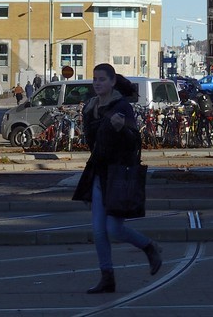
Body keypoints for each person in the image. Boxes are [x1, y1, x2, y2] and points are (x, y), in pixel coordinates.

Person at [72, 64, 163, 294]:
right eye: (94, 79)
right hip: (98, 173)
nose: (97, 83)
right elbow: (93, 145)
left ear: (112, 82)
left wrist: (122, 128)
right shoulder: (91, 107)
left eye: (102, 79)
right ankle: (107, 277)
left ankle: (149, 246)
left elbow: (135, 142)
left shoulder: (122, 106)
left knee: (113, 228)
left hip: (118, 174)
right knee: (98, 231)